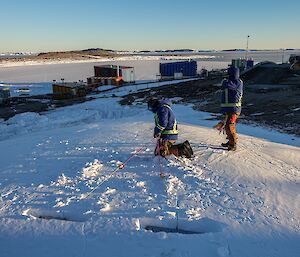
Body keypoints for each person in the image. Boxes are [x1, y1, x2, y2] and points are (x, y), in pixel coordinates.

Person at [219, 66, 243, 151]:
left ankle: (233, 144)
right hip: (229, 109)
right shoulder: (232, 82)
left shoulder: (238, 82)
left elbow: (226, 85)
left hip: (234, 109)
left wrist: (224, 81)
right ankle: (230, 141)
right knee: (227, 127)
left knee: (230, 126)